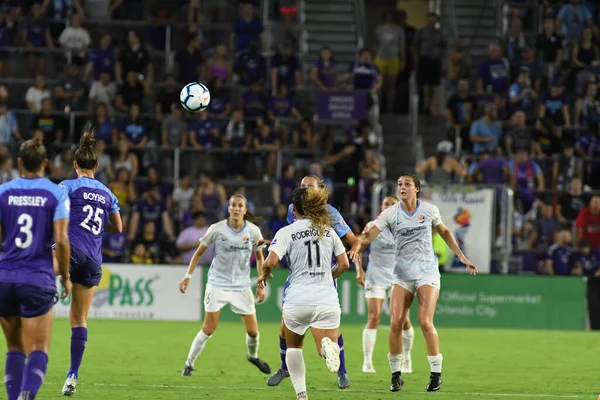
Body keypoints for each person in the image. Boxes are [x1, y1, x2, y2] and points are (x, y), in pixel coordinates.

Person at [349, 173, 477, 393]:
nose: (402, 187)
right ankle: (396, 375)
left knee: (425, 322)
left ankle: (436, 373)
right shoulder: (390, 213)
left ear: (416, 189)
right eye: (399, 184)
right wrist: (355, 244)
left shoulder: (429, 210)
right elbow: (368, 236)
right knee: (396, 322)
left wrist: (462, 256)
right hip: (402, 274)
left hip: (427, 272)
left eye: (407, 184)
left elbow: (445, 231)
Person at [265, 175, 362, 389]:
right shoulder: (293, 209)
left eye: (310, 186)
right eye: (303, 187)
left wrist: (354, 252)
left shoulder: (331, 213)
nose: (306, 190)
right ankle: (285, 368)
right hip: (300, 274)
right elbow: (297, 236)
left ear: (320, 190)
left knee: (327, 330)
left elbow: (354, 241)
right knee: (284, 328)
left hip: (320, 276)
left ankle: (341, 372)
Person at [0, 138, 71, 400]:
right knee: (39, 347)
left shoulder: (3, 192)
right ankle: (27, 396)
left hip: (4, 278)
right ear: (45, 163)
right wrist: (65, 277)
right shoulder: (57, 193)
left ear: (19, 163)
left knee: (15, 348)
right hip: (37, 278)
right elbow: (62, 240)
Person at [57, 131, 123, 397]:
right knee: (79, 318)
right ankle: (73, 374)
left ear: (75, 165)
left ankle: (49, 290)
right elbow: (118, 227)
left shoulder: (68, 186)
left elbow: (54, 213)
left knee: (41, 263)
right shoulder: (108, 193)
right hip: (94, 260)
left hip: (71, 249)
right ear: (97, 166)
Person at [179, 194, 271, 376]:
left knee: (253, 332)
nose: (236, 209)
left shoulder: (253, 231)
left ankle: (253, 356)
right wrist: (187, 276)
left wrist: (261, 284)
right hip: (217, 284)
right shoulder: (217, 229)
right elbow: (198, 254)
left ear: (245, 210)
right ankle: (189, 363)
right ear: (228, 209)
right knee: (208, 328)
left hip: (242, 286)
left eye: (240, 206)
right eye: (233, 205)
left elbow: (261, 258)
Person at [361, 195, 414, 374]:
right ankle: (367, 362)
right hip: (375, 275)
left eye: (393, 204)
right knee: (374, 317)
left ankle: (407, 358)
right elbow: (358, 247)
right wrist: (359, 271)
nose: (389, 206)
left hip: (398, 277)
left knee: (402, 319)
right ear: (381, 206)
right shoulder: (372, 226)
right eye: (386, 204)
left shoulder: (406, 227)